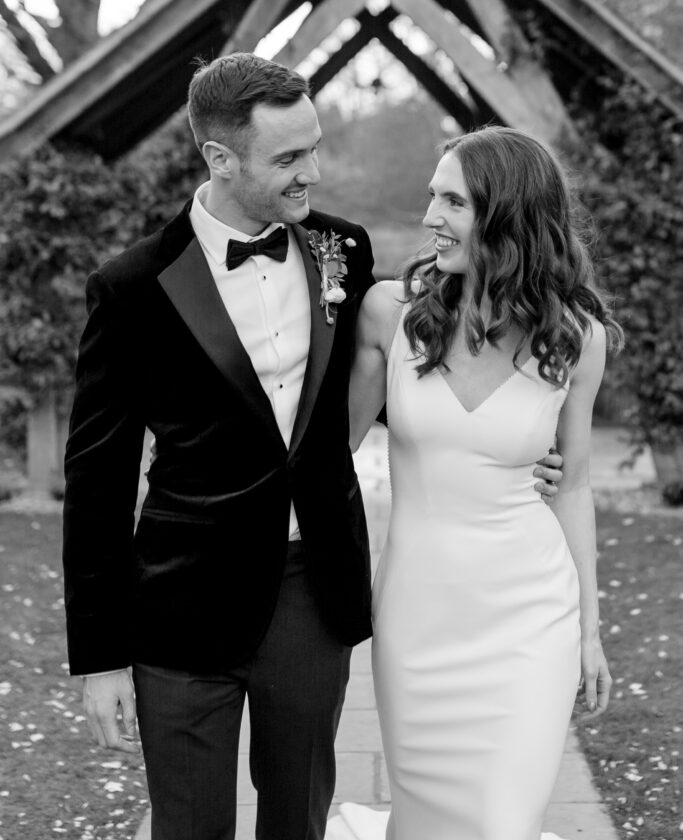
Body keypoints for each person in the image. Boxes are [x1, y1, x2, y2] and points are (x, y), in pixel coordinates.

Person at [62, 55, 562, 840]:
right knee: (187, 827)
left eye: (315, 147)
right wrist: (98, 659)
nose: (313, 173)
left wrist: (505, 442)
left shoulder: (344, 251)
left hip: (311, 594)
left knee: (298, 819)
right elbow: (95, 478)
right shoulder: (131, 288)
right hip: (179, 604)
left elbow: (407, 374)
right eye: (289, 157)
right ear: (219, 158)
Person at [347, 126, 623, 840]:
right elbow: (327, 451)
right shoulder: (389, 317)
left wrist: (589, 634)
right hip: (417, 617)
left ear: (508, 216)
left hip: (530, 616)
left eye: (452, 202)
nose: (430, 217)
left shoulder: (575, 338)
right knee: (425, 824)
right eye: (430, 197)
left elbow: (573, 484)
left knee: (504, 824)